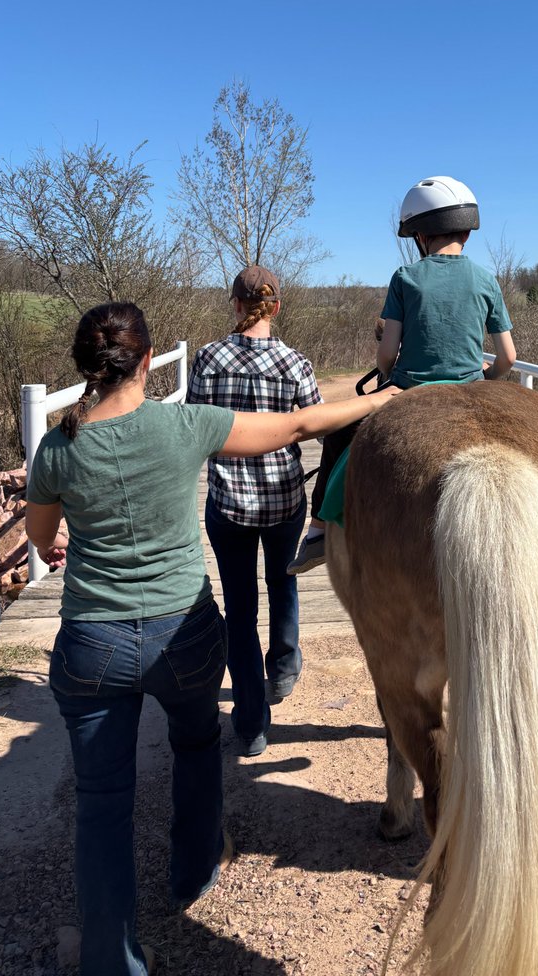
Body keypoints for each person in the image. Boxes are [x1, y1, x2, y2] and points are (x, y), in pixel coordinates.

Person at [24, 302, 400, 976]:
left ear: (88, 366)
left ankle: (111, 959)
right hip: (183, 634)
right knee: (196, 745)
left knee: (101, 801)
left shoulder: (59, 445)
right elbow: (300, 422)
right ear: (146, 363)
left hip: (92, 642)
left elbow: (40, 534)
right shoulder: (182, 426)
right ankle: (193, 873)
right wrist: (385, 398)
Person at [288, 176, 516, 573]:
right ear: (466, 230)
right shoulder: (486, 280)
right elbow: (508, 357)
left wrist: (387, 372)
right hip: (472, 388)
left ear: (419, 234)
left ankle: (319, 530)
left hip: (410, 388)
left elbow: (387, 352)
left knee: (342, 437)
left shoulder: (405, 278)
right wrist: (487, 376)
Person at [186, 266, 319, 756]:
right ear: (276, 307)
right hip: (284, 499)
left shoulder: (207, 360)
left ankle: (249, 724)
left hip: (229, 503)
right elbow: (312, 425)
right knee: (283, 582)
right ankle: (282, 672)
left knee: (240, 608)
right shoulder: (296, 364)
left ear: (236, 304)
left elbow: (195, 427)